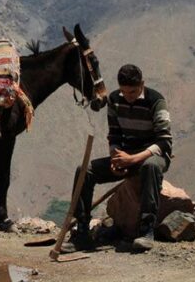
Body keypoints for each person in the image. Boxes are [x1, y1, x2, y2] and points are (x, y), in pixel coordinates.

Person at [65, 63, 172, 252]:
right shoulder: (115, 100)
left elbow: (164, 142)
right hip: (125, 156)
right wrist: (115, 158)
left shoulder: (156, 101)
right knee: (85, 170)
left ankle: (146, 231)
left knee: (150, 167)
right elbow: (114, 136)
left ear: (142, 84)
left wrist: (134, 159)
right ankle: (82, 232)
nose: (128, 96)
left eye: (132, 92)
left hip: (151, 155)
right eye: (125, 91)